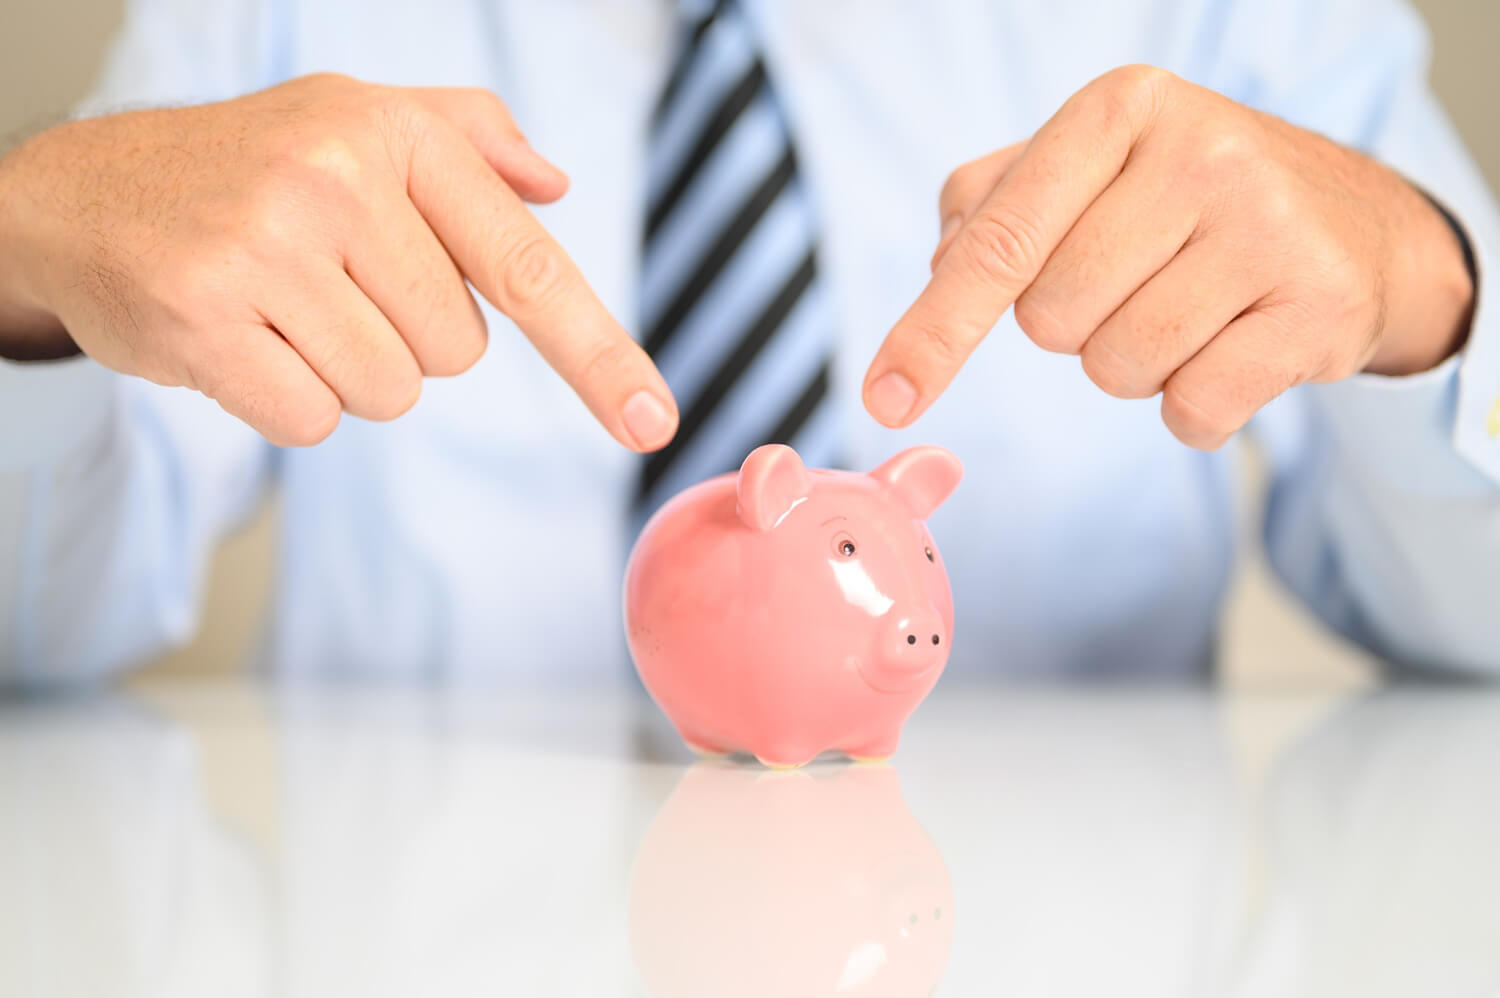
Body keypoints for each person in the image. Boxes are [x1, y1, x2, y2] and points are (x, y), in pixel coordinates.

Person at [0, 0, 1495, 682]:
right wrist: (22, 262)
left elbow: (1474, 635)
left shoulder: (1256, 21)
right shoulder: (256, 20)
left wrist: (1428, 291)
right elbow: (37, 636)